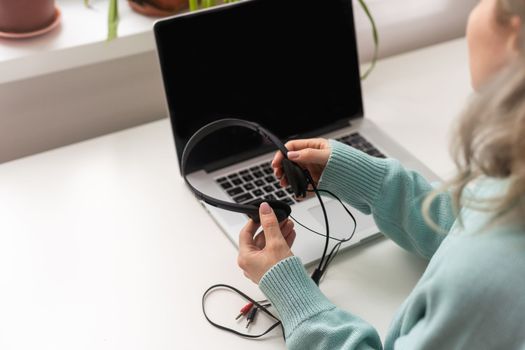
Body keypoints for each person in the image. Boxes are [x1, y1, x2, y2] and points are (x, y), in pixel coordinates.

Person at [236, 0, 525, 348]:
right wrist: (369, 181)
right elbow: (470, 216)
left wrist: (293, 295)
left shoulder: (482, 282)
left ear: (515, 32)